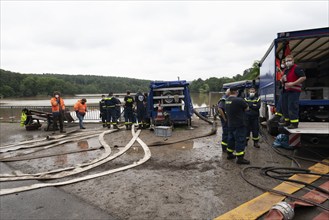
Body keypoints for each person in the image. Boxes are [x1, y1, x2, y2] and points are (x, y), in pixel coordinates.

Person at [225, 87, 250, 164]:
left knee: (231, 139)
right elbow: (247, 108)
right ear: (236, 92)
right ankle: (240, 158)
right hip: (239, 124)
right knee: (240, 140)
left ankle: (229, 154)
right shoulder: (239, 100)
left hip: (230, 123)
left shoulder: (227, 100)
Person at [281, 54, 306, 129]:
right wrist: (282, 80)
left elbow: (303, 77)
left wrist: (292, 83)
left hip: (294, 91)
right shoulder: (286, 70)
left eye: (289, 60)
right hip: (286, 91)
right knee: (284, 106)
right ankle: (287, 121)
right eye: (286, 61)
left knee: (292, 106)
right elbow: (285, 78)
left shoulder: (296, 68)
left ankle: (294, 123)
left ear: (293, 60)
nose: (288, 62)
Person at [217, 88, 230, 153]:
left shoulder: (228, 98)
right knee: (226, 132)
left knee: (228, 132)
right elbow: (220, 109)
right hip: (225, 119)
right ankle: (224, 148)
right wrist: (224, 118)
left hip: (228, 119)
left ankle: (227, 146)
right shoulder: (224, 99)